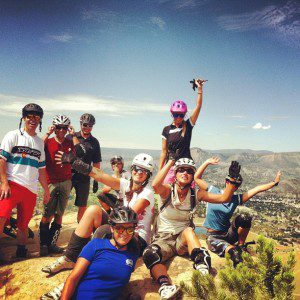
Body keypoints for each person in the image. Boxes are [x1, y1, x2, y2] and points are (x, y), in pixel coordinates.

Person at [142, 158, 242, 299]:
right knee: (149, 254)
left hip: (182, 239)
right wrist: (171, 161)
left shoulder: (196, 194)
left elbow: (224, 198)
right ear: (175, 174)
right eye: (181, 170)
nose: (185, 173)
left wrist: (232, 181)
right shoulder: (167, 191)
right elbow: (155, 184)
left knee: (189, 230)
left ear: (192, 175)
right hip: (163, 239)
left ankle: (201, 267)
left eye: (189, 171)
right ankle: (165, 286)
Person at [41, 153, 154, 277]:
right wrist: (77, 163)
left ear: (148, 175)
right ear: (132, 169)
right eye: (137, 169)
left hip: (136, 238)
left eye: (144, 171)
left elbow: (127, 218)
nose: (139, 172)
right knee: (93, 210)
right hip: (120, 229)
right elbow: (100, 176)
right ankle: (70, 257)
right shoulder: (126, 184)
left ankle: (84, 273)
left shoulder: (147, 194)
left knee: (103, 231)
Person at [194, 157, 281, 267]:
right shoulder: (213, 191)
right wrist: (207, 162)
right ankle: (236, 256)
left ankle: (241, 245)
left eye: (236, 184)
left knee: (245, 218)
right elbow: (197, 178)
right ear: (226, 182)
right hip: (214, 236)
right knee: (234, 254)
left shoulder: (236, 199)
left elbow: (257, 189)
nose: (234, 186)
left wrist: (275, 182)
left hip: (229, 234)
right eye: (232, 182)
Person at [0, 103, 50, 258]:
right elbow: (1, 160)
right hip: (12, 184)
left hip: (31, 189)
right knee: (1, 216)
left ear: (40, 120)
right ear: (23, 118)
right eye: (29, 116)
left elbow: (41, 169)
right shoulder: (12, 135)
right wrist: (4, 183)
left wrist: (46, 191)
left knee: (23, 223)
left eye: (36, 117)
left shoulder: (40, 142)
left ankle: (21, 251)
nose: (33, 119)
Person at [59, 206, 139, 300]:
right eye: (120, 228)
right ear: (112, 228)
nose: (124, 233)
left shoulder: (132, 255)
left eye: (129, 229)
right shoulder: (96, 245)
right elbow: (73, 278)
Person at [39, 115, 75, 256]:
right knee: (47, 214)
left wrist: (72, 135)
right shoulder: (48, 142)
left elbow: (78, 152)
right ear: (54, 128)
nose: (61, 130)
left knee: (59, 214)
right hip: (51, 182)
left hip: (66, 181)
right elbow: (37, 146)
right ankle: (43, 245)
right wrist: (47, 133)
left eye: (64, 128)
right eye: (58, 127)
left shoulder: (70, 141)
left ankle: (52, 244)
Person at [159, 78, 206, 184]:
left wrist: (200, 89)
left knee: (190, 194)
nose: (179, 117)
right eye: (176, 114)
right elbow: (164, 152)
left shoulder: (188, 125)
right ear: (172, 114)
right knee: (166, 193)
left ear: (184, 114)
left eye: (181, 115)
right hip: (170, 166)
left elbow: (198, 106)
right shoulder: (166, 129)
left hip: (186, 167)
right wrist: (160, 171)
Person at [69, 113, 101, 222]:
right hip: (69, 175)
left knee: (82, 206)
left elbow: (96, 162)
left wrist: (96, 180)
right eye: (85, 125)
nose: (87, 127)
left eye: (90, 125)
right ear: (80, 124)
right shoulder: (71, 136)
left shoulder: (95, 142)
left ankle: (80, 230)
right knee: (62, 202)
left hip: (84, 177)